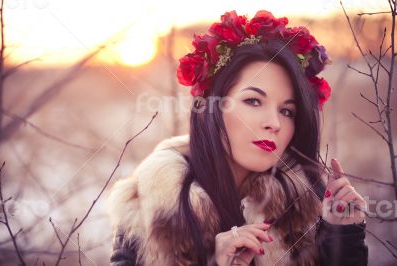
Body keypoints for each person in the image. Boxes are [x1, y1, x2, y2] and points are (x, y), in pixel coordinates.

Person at [106, 10, 368, 266]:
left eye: (287, 111)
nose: (274, 124)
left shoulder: (309, 204)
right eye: (253, 101)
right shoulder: (151, 205)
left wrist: (343, 236)